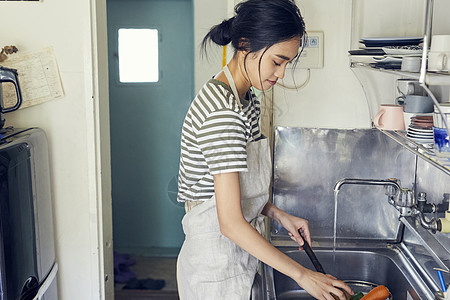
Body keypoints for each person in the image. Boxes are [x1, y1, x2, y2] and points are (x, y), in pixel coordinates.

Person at [176, 0, 353, 299]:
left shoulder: (247, 100)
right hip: (216, 267)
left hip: (236, 254)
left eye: (287, 63)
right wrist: (304, 275)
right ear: (245, 44)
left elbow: (235, 190)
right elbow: (230, 222)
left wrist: (278, 214)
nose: (281, 74)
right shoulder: (223, 112)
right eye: (277, 61)